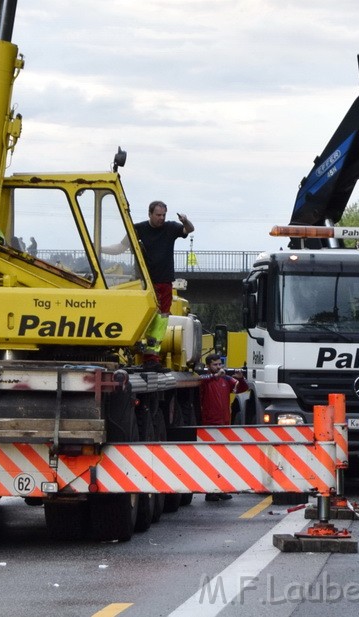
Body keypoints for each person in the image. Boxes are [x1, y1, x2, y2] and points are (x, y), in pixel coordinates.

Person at [104, 201, 194, 364]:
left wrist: (185, 221)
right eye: (158, 215)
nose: (161, 218)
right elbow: (120, 248)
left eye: (163, 215)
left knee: (161, 318)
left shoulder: (171, 227)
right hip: (145, 282)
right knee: (143, 314)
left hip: (164, 281)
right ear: (150, 214)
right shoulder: (138, 229)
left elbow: (189, 229)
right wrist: (98, 248)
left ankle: (152, 355)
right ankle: (136, 346)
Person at [199, 353, 248, 501]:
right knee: (211, 458)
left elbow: (240, 388)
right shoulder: (205, 379)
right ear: (208, 366)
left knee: (224, 457)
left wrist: (240, 378)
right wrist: (215, 376)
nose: (219, 367)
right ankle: (210, 491)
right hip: (210, 423)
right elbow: (201, 380)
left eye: (220, 364)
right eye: (215, 365)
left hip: (224, 423)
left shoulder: (226, 379)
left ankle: (222, 489)